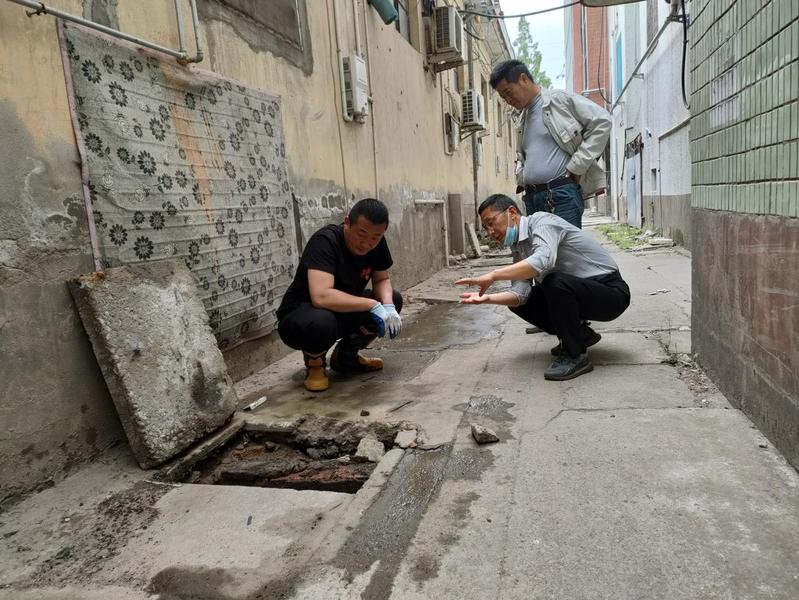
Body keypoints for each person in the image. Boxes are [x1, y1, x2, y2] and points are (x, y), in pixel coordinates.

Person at [456, 194, 630, 381]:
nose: (490, 232)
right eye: (485, 227)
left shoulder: (543, 222)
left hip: (610, 292)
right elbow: (520, 294)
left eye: (491, 223)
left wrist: (493, 275)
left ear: (512, 213)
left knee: (554, 282)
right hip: (582, 293)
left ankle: (575, 354)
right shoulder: (519, 247)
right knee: (521, 302)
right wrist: (487, 299)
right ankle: (581, 335)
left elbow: (543, 260)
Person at [276, 198, 402, 392]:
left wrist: (388, 306)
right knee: (321, 321)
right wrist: (372, 305)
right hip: (301, 316)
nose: (367, 243)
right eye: (362, 234)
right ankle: (315, 365)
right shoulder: (325, 241)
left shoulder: (377, 244)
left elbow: (381, 279)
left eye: (375, 237)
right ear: (347, 222)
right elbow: (321, 296)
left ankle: (346, 357)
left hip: (341, 310)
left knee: (393, 298)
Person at [490, 59, 611, 229]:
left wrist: (578, 164)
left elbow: (602, 121)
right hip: (533, 198)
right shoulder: (522, 119)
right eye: (503, 97)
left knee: (564, 246)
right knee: (540, 246)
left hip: (560, 196)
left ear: (523, 79)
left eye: (508, 92)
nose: (508, 100)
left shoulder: (559, 101)